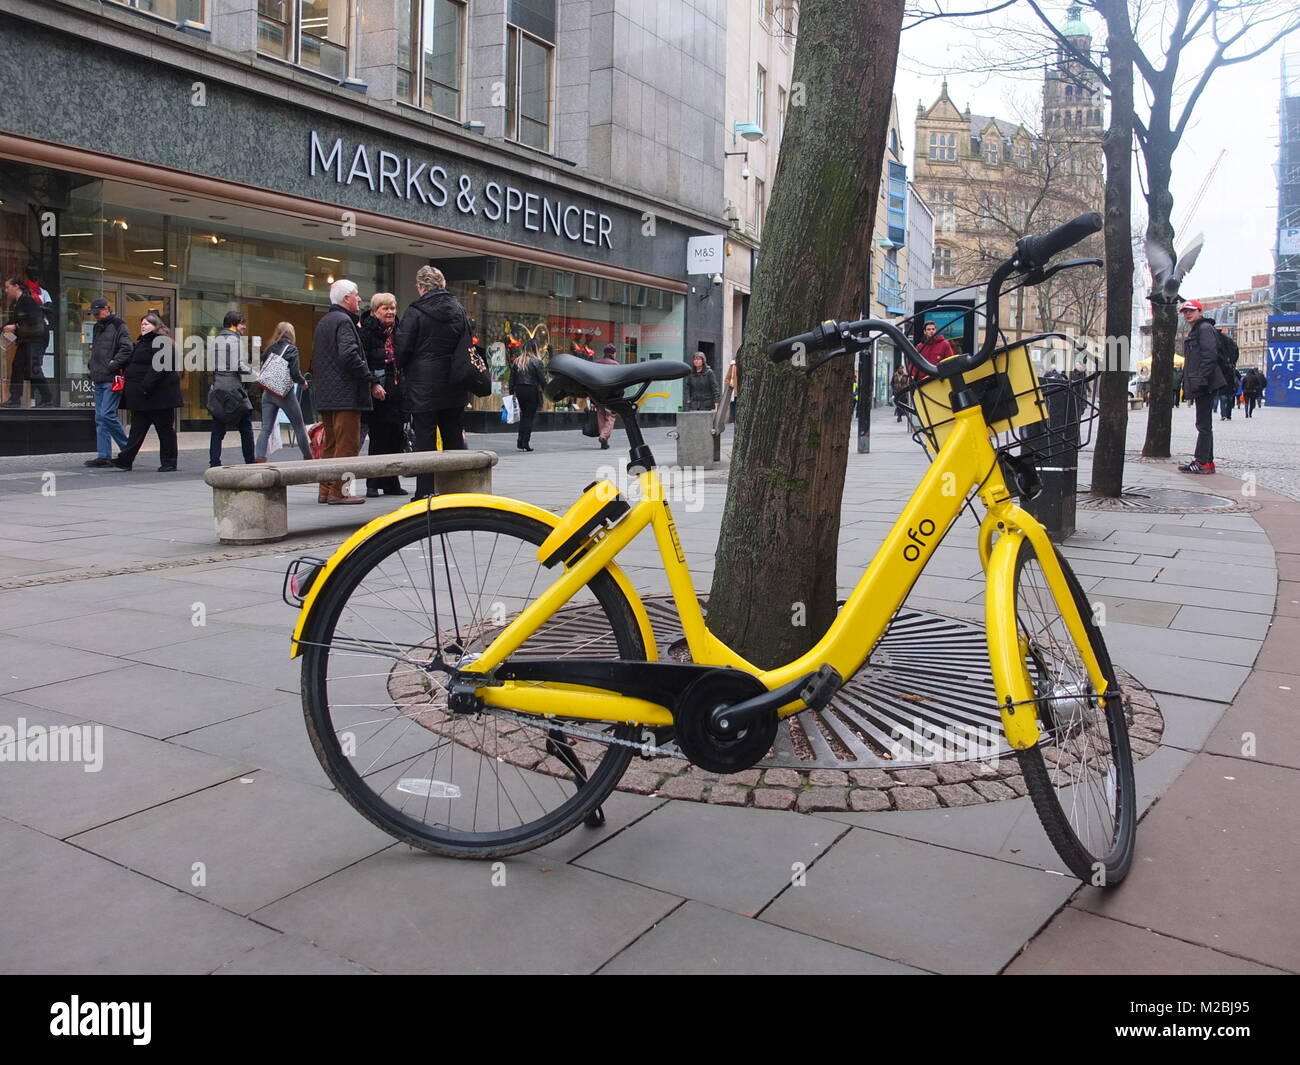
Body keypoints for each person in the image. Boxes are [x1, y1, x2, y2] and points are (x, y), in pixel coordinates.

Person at [396, 265, 469, 499]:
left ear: (421, 287)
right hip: (454, 382)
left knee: (425, 438)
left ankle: (425, 492)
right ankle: (455, 488)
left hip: (423, 385)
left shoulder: (415, 311)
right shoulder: (459, 309)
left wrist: (404, 368)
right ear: (442, 284)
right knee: (453, 437)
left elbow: (403, 348)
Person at [313, 279, 384, 505]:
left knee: (330, 445)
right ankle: (340, 492)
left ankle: (325, 490)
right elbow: (349, 355)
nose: (360, 299)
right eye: (356, 295)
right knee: (347, 446)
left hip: (327, 395)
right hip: (346, 395)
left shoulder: (324, 321)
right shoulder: (344, 322)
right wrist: (370, 379)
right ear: (346, 299)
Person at [110, 312, 181, 472]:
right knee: (137, 429)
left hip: (159, 396)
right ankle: (125, 459)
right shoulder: (141, 343)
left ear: (156, 326)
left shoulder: (162, 342)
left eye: (147, 324)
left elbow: (160, 367)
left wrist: (145, 386)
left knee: (164, 430)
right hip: (143, 397)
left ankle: (169, 462)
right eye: (142, 323)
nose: (143, 326)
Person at [359, 294, 408, 496]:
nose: (389, 312)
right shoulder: (366, 332)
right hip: (378, 390)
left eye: (392, 308)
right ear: (374, 311)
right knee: (379, 437)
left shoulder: (399, 330)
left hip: (397, 388)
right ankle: (373, 483)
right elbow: (363, 361)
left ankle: (391, 482)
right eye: (384, 308)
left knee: (396, 436)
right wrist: (373, 383)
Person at [1177, 299, 1227, 475]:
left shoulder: (1204, 329)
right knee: (1205, 423)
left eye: (1191, 310)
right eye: (1185, 312)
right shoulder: (1198, 330)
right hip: (1204, 381)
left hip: (1206, 383)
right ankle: (1207, 462)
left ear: (1200, 311)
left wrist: (1200, 379)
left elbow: (1209, 356)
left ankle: (1202, 461)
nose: (1187, 314)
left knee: (1203, 424)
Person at [253, 321, 312, 463]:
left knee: (266, 428)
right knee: (299, 426)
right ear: (291, 334)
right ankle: (308, 456)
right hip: (285, 394)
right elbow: (294, 372)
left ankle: (260, 457)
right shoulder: (292, 349)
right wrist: (303, 382)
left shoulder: (269, 349)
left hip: (268, 392)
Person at [84, 297, 133, 466]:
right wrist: (92, 366)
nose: (96, 316)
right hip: (99, 376)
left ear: (107, 309)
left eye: (98, 312)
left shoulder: (119, 325)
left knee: (106, 414)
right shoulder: (99, 327)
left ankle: (127, 449)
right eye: (94, 313)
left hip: (110, 377)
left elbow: (127, 348)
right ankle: (104, 454)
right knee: (100, 416)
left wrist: (112, 365)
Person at [208, 311, 255, 467]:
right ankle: (250, 460)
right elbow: (238, 365)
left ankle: (214, 462)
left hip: (218, 388)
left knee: (217, 428)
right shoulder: (235, 340)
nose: (244, 327)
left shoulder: (216, 340)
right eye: (242, 323)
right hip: (234, 390)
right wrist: (255, 374)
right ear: (234, 324)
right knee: (245, 426)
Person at [2, 276, 54, 407]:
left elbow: (34, 319)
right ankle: (15, 399)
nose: (6, 291)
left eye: (8, 287)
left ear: (16, 286)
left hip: (36, 339)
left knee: (33, 368)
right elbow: (14, 321)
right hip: (26, 339)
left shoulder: (27, 300)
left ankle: (47, 398)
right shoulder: (17, 303)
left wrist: (15, 327)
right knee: (17, 366)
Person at [508, 339, 546, 452]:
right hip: (531, 390)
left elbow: (512, 379)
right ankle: (525, 442)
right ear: (535, 349)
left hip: (519, 390)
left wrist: (511, 392)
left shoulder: (517, 361)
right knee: (529, 417)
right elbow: (542, 379)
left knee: (524, 415)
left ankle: (520, 441)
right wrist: (546, 391)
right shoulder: (537, 362)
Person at [594, 342, 620, 449]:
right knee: (611, 416)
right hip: (611, 395)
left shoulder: (597, 363)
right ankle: (603, 436)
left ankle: (603, 441)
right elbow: (619, 382)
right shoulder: (615, 365)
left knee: (601, 416)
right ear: (613, 353)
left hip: (598, 395)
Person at [724, 358, 739, 423]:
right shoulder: (733, 365)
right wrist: (730, 384)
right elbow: (727, 378)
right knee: (734, 409)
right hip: (735, 392)